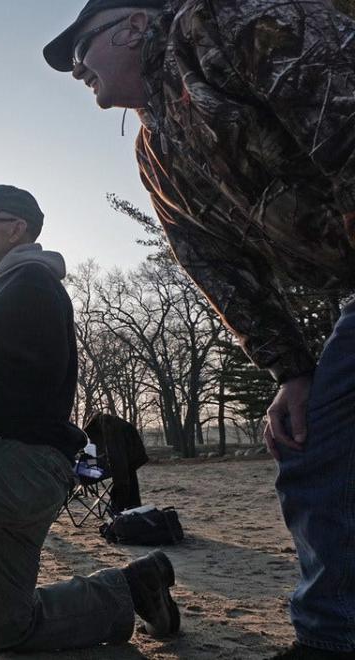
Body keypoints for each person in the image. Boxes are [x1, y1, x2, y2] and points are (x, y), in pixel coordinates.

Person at [44, 1, 355, 657]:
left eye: (82, 47)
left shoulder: (213, 24)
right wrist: (293, 372)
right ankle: (330, 640)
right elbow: (213, 268)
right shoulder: (154, 154)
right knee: (311, 445)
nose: (75, 67)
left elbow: (344, 107)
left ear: (132, 24)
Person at [0, 185, 181, 653]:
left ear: (15, 229)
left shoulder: (27, 286)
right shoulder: (12, 287)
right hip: (16, 465)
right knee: (8, 629)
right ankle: (134, 586)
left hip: (20, 468)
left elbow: (3, 390)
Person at [84, 412, 148, 513]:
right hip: (133, 453)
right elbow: (107, 454)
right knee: (129, 480)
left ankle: (122, 510)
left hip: (130, 455)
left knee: (123, 481)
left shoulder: (108, 428)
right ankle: (132, 508)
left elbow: (116, 457)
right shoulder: (107, 424)